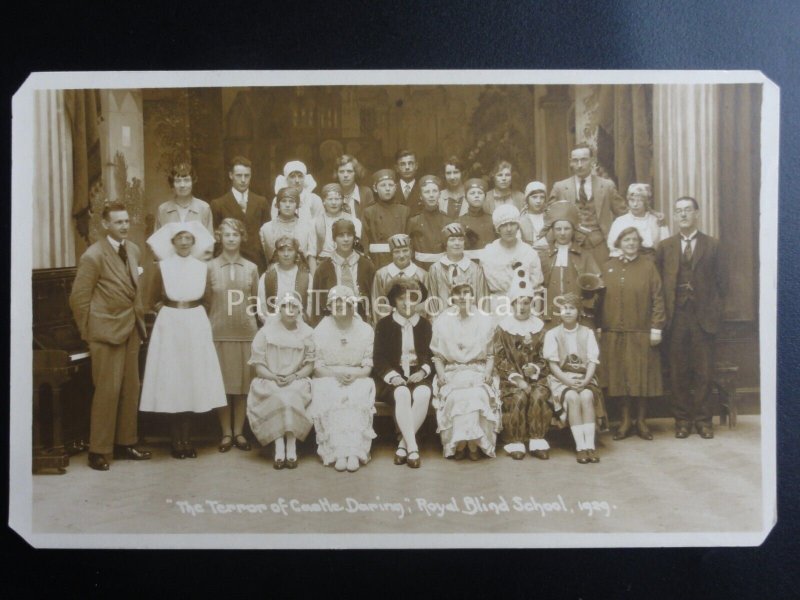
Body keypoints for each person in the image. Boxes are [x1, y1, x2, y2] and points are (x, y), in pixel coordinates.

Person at [69, 201, 151, 471]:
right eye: (118, 222)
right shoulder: (93, 255)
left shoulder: (134, 250)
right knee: (107, 391)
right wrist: (90, 331)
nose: (124, 226)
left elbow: (134, 289)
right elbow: (79, 300)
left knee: (131, 388)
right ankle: (98, 450)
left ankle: (126, 443)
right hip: (105, 332)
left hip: (130, 328)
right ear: (105, 225)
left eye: (126, 221)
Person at [140, 221, 227, 459]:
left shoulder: (202, 267)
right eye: (180, 238)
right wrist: (166, 310)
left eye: (189, 238)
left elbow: (208, 299)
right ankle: (175, 440)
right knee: (173, 379)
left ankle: (187, 439)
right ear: (173, 242)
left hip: (195, 323)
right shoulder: (163, 266)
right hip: (170, 324)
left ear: (194, 241)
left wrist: (195, 316)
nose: (185, 242)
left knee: (191, 378)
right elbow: (152, 298)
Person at [656, 196, 725, 440]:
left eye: (687, 210)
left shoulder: (713, 245)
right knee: (678, 371)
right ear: (674, 216)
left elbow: (721, 284)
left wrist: (714, 312)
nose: (683, 215)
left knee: (704, 371)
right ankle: (682, 421)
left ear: (697, 214)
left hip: (703, 318)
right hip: (675, 318)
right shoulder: (665, 247)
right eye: (678, 211)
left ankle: (704, 421)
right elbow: (659, 285)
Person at [600, 227, 666, 441]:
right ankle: (625, 421)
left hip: (641, 332)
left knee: (640, 378)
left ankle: (641, 421)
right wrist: (601, 325)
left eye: (634, 240)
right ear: (619, 243)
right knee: (621, 378)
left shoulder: (649, 267)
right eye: (626, 240)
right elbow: (600, 300)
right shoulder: (608, 267)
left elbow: (658, 299)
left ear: (640, 243)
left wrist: (656, 327)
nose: (630, 243)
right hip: (615, 333)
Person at [430, 277, 501, 460]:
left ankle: (475, 444)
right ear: (452, 297)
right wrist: (440, 375)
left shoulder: (485, 321)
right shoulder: (442, 321)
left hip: (477, 369)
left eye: (466, 293)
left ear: (473, 295)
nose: (462, 297)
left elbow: (491, 355)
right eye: (457, 293)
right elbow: (437, 356)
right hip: (452, 370)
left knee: (476, 394)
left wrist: (487, 373)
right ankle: (459, 444)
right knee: (456, 396)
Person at [309, 285, 376, 472]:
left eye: (343, 301)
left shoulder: (365, 330)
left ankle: (354, 451)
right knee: (332, 394)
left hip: (357, 376)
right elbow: (317, 368)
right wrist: (335, 374)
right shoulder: (320, 330)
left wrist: (354, 375)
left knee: (355, 395)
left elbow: (367, 368)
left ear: (352, 304)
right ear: (329, 306)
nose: (339, 306)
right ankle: (337, 451)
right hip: (328, 376)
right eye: (334, 302)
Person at [207, 218, 260, 453]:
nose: (230, 239)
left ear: (242, 238)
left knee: (242, 386)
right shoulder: (210, 267)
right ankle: (225, 433)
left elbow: (255, 301)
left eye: (235, 235)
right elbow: (207, 300)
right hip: (218, 331)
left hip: (245, 332)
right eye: (226, 235)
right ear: (219, 237)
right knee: (223, 385)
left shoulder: (251, 268)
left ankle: (239, 432)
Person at [247, 292, 315, 469]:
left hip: (296, 379)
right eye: (286, 306)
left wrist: (295, 376)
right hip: (270, 378)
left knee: (291, 395)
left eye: (294, 306)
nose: (290, 311)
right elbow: (258, 366)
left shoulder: (307, 333)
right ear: (279, 309)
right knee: (278, 396)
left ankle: (291, 445)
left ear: (299, 309)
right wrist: (273, 376)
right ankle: (278, 446)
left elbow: (309, 365)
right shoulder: (265, 333)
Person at [373, 278, 433, 469]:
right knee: (402, 393)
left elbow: (431, 355)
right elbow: (379, 359)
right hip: (392, 376)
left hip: (417, 373)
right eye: (401, 299)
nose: (407, 304)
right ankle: (413, 447)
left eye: (412, 298)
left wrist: (423, 372)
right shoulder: (384, 325)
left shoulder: (424, 325)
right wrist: (393, 376)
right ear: (393, 301)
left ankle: (403, 445)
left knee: (423, 393)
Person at [493, 273, 553, 460]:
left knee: (538, 395)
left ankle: (537, 439)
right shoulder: (503, 328)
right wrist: (518, 379)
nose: (522, 306)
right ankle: (515, 440)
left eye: (526, 302)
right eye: (518, 302)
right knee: (518, 397)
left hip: (537, 379)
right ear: (512, 304)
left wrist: (535, 369)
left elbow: (546, 356)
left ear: (532, 304)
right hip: (511, 381)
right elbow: (499, 358)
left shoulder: (540, 328)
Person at [543, 292, 606, 464]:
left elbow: (592, 361)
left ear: (578, 311)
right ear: (559, 312)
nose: (568, 312)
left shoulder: (587, 333)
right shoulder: (552, 334)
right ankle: (580, 447)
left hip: (584, 376)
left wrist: (585, 381)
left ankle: (589, 446)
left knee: (586, 396)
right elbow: (553, 365)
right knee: (571, 396)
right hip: (562, 378)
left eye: (572, 308)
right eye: (564, 308)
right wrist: (568, 381)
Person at [547, 144, 627, 266]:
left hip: (601, 246)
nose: (579, 165)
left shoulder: (606, 186)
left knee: (602, 282)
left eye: (584, 159)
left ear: (592, 161)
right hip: (571, 247)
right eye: (575, 160)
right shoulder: (560, 188)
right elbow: (549, 218)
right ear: (571, 162)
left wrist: (651, 213)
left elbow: (624, 214)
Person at [539, 200, 602, 325]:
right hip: (550, 317)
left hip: (578, 317)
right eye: (558, 229)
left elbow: (597, 288)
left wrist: (585, 305)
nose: (562, 233)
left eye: (567, 228)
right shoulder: (543, 255)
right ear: (552, 230)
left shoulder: (585, 255)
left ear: (573, 230)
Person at [479, 204, 544, 320]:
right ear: (497, 228)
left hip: (524, 309)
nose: (509, 229)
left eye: (512, 224)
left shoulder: (529, 252)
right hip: (497, 308)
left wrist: (536, 318)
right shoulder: (488, 253)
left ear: (518, 226)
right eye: (504, 225)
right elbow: (483, 290)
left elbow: (537, 290)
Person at [210, 156, 270, 273]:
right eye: (239, 175)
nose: (243, 180)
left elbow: (267, 235)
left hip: (257, 263)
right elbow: (217, 241)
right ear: (231, 175)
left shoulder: (261, 202)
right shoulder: (218, 204)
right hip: (229, 263)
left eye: (247, 176)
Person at [311, 219, 375, 324]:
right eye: (341, 235)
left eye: (349, 235)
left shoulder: (367, 266)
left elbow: (374, 297)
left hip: (361, 319)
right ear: (334, 239)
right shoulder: (323, 269)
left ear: (354, 237)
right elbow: (316, 305)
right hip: (333, 320)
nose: (346, 239)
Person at [425, 222, 489, 316]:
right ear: (445, 243)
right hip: (444, 322)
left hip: (471, 320)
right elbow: (432, 299)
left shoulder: (475, 269)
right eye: (452, 240)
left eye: (460, 239)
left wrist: (482, 322)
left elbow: (483, 299)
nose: (457, 243)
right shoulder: (435, 269)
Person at [259, 187, 317, 274]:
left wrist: (313, 282)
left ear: (298, 205)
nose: (287, 205)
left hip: (302, 276)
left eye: (291, 201)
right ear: (277, 205)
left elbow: (311, 257)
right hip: (274, 276)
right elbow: (263, 259)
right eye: (283, 201)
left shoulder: (307, 227)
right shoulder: (266, 229)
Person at [371, 233, 427, 322]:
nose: (401, 255)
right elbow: (378, 305)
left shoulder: (422, 275)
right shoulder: (381, 275)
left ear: (411, 251)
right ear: (391, 254)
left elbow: (424, 306)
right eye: (397, 251)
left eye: (405, 250)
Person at [606, 183, 671, 258]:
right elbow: (613, 247)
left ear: (646, 202)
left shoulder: (656, 221)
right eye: (632, 200)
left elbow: (666, 247)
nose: (635, 204)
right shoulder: (620, 222)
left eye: (639, 201)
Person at [362, 168, 409, 270]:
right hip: (376, 262)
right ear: (375, 188)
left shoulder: (404, 211)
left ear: (396, 187)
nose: (387, 188)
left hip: (400, 261)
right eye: (383, 185)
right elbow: (364, 242)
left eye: (390, 185)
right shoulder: (369, 212)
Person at [257, 236, 312, 321]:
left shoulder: (306, 277)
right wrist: (271, 324)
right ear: (277, 253)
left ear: (296, 253)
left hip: (299, 326)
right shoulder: (267, 276)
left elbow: (310, 305)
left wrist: (299, 324)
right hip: (273, 326)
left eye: (290, 250)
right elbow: (262, 306)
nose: (286, 254)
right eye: (282, 250)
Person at [156, 162, 214, 235]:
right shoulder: (163, 210)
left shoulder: (204, 208)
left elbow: (209, 242)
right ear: (172, 184)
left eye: (186, 180)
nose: (182, 185)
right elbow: (157, 242)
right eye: (178, 181)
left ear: (193, 182)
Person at [313, 182, 366, 261]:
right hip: (322, 262)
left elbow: (358, 249)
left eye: (337, 199)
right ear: (323, 201)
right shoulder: (315, 222)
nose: (333, 203)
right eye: (330, 199)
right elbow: (312, 254)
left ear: (342, 201)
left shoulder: (354, 221)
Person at [405, 174, 449, 267]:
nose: (431, 195)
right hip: (419, 267)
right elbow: (409, 248)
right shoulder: (414, 221)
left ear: (440, 194)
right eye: (427, 192)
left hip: (442, 267)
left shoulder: (447, 220)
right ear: (421, 196)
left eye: (434, 191)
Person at [269, 160, 324, 226]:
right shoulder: (278, 199)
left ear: (304, 178)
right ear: (286, 179)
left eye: (300, 176)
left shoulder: (314, 199)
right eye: (292, 176)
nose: (297, 180)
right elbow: (275, 224)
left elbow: (319, 225)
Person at [458, 178, 496, 253]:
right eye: (472, 193)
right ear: (466, 198)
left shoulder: (493, 220)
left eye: (480, 193)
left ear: (485, 197)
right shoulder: (459, 222)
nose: (476, 196)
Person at [334, 154, 374, 220]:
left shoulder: (366, 193)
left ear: (356, 173)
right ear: (336, 174)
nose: (345, 175)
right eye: (341, 172)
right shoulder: (332, 194)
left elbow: (371, 221)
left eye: (349, 171)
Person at [519, 181, 550, 253]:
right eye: (534, 197)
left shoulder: (550, 217)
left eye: (542, 197)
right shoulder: (521, 219)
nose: (538, 201)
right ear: (527, 199)